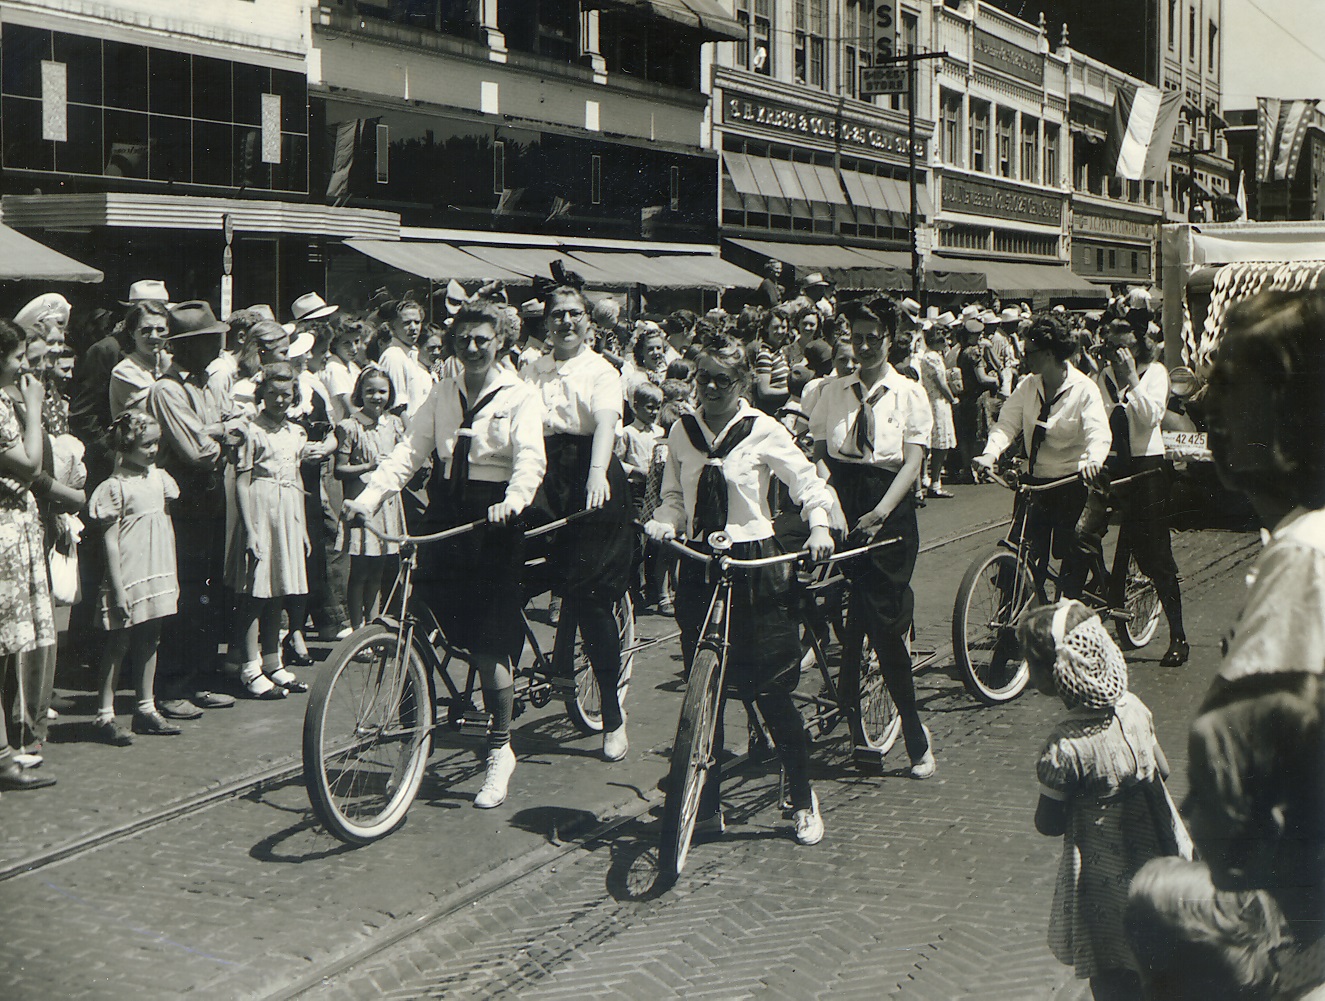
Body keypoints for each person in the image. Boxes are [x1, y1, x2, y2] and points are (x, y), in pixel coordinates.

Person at [1130, 290, 1325, 999]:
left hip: (1298, 931)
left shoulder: (1301, 558)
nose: (1206, 405)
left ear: (1286, 409)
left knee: (1154, 897)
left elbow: (1230, 796)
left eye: (1230, 383)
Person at [345, 301, 546, 809]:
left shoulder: (520, 395)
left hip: (494, 518)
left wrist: (514, 502)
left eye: (482, 340)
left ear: (499, 341)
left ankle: (500, 749)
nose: (472, 349)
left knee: (486, 645)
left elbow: (529, 460)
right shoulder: (443, 393)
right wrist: (367, 499)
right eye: (463, 341)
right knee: (411, 625)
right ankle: (414, 743)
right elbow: (409, 454)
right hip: (447, 512)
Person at [645, 335, 838, 844]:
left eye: (722, 380)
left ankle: (802, 798)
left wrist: (819, 524)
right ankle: (706, 807)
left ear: (743, 383)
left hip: (755, 566)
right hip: (700, 567)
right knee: (705, 693)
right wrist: (665, 520)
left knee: (771, 692)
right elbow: (672, 497)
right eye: (702, 377)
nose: (709, 387)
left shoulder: (763, 430)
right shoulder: (682, 432)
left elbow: (808, 483)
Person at [1020, 599, 1181, 1001]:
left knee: (1111, 970)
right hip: (1157, 859)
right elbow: (1163, 769)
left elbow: (1049, 822)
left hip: (1103, 879)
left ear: (1055, 672)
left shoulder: (1064, 745)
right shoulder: (1133, 708)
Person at [810, 298, 936, 779]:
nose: (863, 346)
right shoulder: (833, 391)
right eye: (856, 336)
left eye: (873, 337)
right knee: (825, 603)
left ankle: (913, 732)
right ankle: (847, 706)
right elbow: (821, 453)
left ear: (890, 339)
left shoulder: (907, 393)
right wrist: (831, 504)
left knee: (883, 626)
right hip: (841, 501)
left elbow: (912, 462)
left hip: (888, 509)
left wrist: (880, 512)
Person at [523, 279, 635, 763]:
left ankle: (612, 715)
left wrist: (596, 475)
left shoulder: (601, 370)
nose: (565, 322)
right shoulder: (532, 369)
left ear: (587, 322)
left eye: (574, 314)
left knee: (591, 599)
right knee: (508, 573)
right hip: (543, 473)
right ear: (546, 323)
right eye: (557, 315)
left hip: (592, 473)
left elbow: (607, 422)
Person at [973, 312, 1110, 600]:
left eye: (1029, 352)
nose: (1024, 358)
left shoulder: (1084, 389)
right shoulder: (1028, 386)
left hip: (1073, 484)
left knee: (1075, 549)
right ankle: (1009, 622)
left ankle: (1069, 612)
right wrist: (990, 454)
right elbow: (1007, 423)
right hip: (1035, 484)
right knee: (1016, 553)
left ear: (1049, 353)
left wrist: (1093, 460)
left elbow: (1099, 432)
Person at [147, 301, 237, 719]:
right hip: (186, 498)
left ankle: (201, 678)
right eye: (209, 338)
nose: (218, 343)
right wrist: (222, 435)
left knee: (207, 589)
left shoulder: (204, 383)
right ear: (190, 345)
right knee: (185, 591)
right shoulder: (167, 389)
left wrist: (218, 431)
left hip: (211, 494)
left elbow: (227, 426)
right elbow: (197, 450)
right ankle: (172, 686)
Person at [226, 364, 335, 699]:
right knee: (255, 594)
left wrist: (301, 526)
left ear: (294, 396)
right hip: (260, 511)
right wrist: (251, 530)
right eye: (271, 393)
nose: (278, 399)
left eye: (285, 394)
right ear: (261, 395)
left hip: (287, 513)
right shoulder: (251, 431)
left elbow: (298, 479)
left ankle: (274, 661)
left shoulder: (296, 432)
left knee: (280, 591)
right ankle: (250, 666)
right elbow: (242, 483)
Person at [1092, 319, 1188, 666]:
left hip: (1148, 467)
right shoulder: (1102, 377)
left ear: (1138, 346)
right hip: (1113, 464)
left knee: (1154, 553)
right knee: (1083, 534)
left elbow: (1149, 419)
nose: (1115, 356)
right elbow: (1098, 420)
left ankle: (1178, 636)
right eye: (1110, 348)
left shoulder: (1156, 373)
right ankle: (1103, 591)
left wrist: (1132, 378)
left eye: (1122, 348)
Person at [88, 411, 182, 742]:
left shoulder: (159, 479)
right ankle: (104, 715)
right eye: (146, 445)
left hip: (156, 567)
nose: (153, 450)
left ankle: (145, 708)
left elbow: (164, 523)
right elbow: (111, 542)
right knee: (119, 640)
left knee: (151, 635)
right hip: (129, 572)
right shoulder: (115, 488)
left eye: (156, 443)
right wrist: (116, 587)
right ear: (126, 445)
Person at [0, 319, 58, 790]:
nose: (25, 366)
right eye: (19, 357)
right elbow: (29, 464)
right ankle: (3, 757)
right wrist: (34, 411)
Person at [334, 367, 408, 630]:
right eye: (370, 391)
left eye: (382, 391)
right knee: (360, 572)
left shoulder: (395, 425)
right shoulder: (350, 426)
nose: (376, 397)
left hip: (386, 506)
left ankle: (372, 628)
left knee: (377, 572)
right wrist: (368, 466)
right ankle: (357, 630)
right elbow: (339, 470)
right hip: (361, 505)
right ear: (359, 393)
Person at [617, 382, 665, 611]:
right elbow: (616, 461)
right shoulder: (628, 433)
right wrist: (636, 471)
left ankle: (654, 590)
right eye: (649, 407)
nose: (654, 412)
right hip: (636, 490)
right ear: (636, 407)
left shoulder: (661, 433)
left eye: (658, 407)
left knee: (655, 540)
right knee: (636, 541)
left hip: (656, 491)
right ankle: (633, 592)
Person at [376, 299, 434, 424]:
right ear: (393, 326)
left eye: (417, 322)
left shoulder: (411, 356)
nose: (413, 328)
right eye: (406, 323)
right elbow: (396, 407)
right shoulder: (393, 356)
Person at [109, 301, 169, 418]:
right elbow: (158, 415)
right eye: (146, 330)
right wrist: (169, 375)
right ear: (132, 333)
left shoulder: (168, 362)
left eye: (161, 330)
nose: (154, 336)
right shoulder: (124, 372)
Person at [917, 323, 956, 499]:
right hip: (937, 402)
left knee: (934, 443)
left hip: (936, 401)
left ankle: (928, 478)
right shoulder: (931, 357)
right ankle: (934, 482)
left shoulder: (934, 356)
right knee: (939, 444)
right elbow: (940, 383)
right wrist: (952, 398)